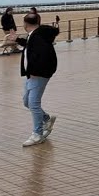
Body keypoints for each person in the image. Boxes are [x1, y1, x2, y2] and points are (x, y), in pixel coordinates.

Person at [15, 12, 60, 147]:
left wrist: (36, 71)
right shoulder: (36, 35)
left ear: (25, 24)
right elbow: (31, 46)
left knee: (33, 103)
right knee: (26, 101)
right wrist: (18, 40)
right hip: (33, 74)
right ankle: (46, 119)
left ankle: (37, 134)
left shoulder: (37, 37)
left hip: (37, 75)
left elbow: (44, 54)